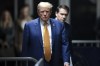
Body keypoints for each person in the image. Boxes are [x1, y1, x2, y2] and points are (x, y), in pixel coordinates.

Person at [21, 2, 70, 66]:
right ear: (38, 12)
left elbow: (65, 43)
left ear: (51, 12)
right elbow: (25, 47)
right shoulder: (29, 26)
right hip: (37, 62)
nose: (45, 14)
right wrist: (24, 63)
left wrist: (66, 61)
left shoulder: (59, 25)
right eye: (42, 11)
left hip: (55, 62)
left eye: (47, 11)